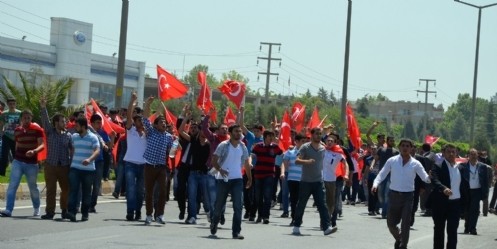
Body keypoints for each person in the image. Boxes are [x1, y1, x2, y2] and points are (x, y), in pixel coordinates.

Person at [372, 138, 430, 249]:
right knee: (390, 224)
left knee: (406, 223)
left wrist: (430, 178)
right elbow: (381, 174)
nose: (405, 148)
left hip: (408, 197)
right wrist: (375, 184)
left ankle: (403, 245)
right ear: (399, 147)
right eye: (403, 145)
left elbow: (425, 177)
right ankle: (399, 238)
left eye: (407, 146)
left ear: (411, 148)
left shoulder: (416, 163)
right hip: (394, 195)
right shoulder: (392, 161)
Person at [210, 124, 252, 239]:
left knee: (238, 206)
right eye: (236, 131)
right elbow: (214, 161)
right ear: (230, 133)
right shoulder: (223, 145)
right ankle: (214, 222)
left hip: (237, 179)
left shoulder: (243, 146)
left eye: (240, 131)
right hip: (223, 179)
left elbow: (247, 163)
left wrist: (249, 178)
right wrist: (220, 170)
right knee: (219, 205)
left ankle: (236, 232)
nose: (239, 133)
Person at [291, 127, 337, 236]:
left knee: (322, 205)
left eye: (320, 134)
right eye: (316, 134)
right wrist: (307, 161)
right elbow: (297, 160)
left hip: (318, 182)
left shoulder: (323, 148)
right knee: (301, 204)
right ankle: (296, 226)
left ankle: (326, 228)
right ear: (311, 135)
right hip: (306, 181)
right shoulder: (305, 147)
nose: (318, 135)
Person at [0, 110, 45, 217]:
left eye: (28, 118)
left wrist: (34, 151)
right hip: (18, 161)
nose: (26, 120)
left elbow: (42, 145)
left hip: (32, 163)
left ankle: (37, 207)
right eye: (24, 118)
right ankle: (8, 209)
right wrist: (15, 158)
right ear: (21, 119)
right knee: (12, 185)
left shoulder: (37, 130)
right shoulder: (17, 130)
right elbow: (17, 145)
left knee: (32, 187)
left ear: (31, 118)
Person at [141, 97, 173, 225]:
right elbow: (145, 119)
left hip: (161, 167)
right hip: (149, 166)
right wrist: (148, 104)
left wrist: (176, 147)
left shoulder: (169, 137)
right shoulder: (151, 132)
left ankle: (160, 215)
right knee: (149, 192)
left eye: (165, 123)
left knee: (163, 191)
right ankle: (149, 215)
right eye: (161, 122)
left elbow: (172, 153)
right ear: (155, 125)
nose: (164, 124)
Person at [40, 98, 73, 220]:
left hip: (64, 166)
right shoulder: (50, 132)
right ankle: (50, 212)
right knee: (51, 191)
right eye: (62, 121)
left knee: (66, 189)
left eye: (65, 121)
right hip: (51, 165)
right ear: (56, 123)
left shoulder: (68, 135)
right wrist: (43, 108)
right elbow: (45, 121)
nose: (65, 123)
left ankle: (64, 210)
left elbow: (72, 150)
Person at [65, 117, 100, 222]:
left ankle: (85, 213)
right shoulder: (74, 137)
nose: (75, 127)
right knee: (73, 190)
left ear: (83, 126)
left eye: (77, 126)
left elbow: (97, 150)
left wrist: (89, 159)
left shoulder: (93, 137)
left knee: (86, 192)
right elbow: (73, 150)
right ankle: (71, 212)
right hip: (75, 168)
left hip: (88, 170)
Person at [179, 111, 210, 225]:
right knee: (191, 196)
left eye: (204, 130)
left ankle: (209, 212)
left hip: (205, 174)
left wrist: (207, 117)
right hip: (193, 173)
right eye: (201, 130)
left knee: (206, 198)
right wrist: (186, 118)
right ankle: (192, 217)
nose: (202, 132)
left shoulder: (209, 144)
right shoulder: (194, 140)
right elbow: (181, 131)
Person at [429, 143, 462, 249]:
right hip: (440, 203)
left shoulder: (460, 168)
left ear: (456, 153)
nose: (451, 154)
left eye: (453, 152)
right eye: (448, 152)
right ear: (443, 153)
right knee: (439, 230)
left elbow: (465, 186)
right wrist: (444, 188)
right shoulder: (437, 166)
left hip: (455, 204)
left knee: (452, 231)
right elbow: (434, 179)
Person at [122, 92, 147, 221]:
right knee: (130, 189)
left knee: (140, 191)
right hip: (130, 164)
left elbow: (147, 118)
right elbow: (129, 115)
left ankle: (138, 211)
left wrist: (148, 105)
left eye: (142, 120)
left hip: (143, 165)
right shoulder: (130, 130)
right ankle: (130, 212)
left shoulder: (147, 134)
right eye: (138, 120)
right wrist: (132, 101)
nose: (141, 122)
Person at [251, 130, 283, 224]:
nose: (271, 138)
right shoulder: (258, 146)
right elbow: (252, 155)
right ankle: (259, 215)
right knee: (258, 197)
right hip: (258, 174)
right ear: (265, 137)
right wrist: (249, 164)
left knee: (267, 196)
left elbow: (282, 153)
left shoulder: (275, 147)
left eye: (272, 137)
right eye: (270, 136)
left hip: (269, 175)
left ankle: (266, 216)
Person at [459, 148, 490, 235]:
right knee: (467, 210)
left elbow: (485, 181)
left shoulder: (483, 166)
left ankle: (473, 228)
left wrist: (485, 193)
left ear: (477, 155)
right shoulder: (463, 166)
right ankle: (467, 226)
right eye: (471, 154)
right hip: (466, 191)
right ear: (468, 156)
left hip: (477, 191)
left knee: (475, 210)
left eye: (475, 154)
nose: (473, 156)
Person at [323, 136, 349, 230]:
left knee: (331, 203)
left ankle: (330, 220)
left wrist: (346, 174)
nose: (329, 142)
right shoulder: (322, 150)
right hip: (321, 179)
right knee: (322, 201)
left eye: (331, 141)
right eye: (328, 141)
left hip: (332, 180)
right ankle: (324, 221)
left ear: (335, 143)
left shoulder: (338, 154)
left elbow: (345, 163)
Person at [280, 134, 305, 226]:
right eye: (302, 141)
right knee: (293, 200)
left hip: (302, 180)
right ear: (296, 142)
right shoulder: (289, 152)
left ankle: (299, 217)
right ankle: (294, 218)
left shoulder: (306, 153)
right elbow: (285, 164)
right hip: (292, 179)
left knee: (300, 200)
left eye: (304, 142)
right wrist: (283, 172)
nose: (304, 143)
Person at [376, 136, 399, 219]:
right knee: (380, 194)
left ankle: (384, 212)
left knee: (387, 194)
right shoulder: (381, 150)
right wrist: (372, 166)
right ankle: (383, 206)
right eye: (391, 140)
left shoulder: (396, 152)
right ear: (387, 141)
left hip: (391, 175)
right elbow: (375, 159)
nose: (392, 142)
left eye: (393, 140)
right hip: (382, 174)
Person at [0, 98, 21, 176]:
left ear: (15, 104)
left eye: (13, 104)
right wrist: (2, 133)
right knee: (4, 155)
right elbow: (1, 124)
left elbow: (21, 124)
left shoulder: (19, 113)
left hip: (16, 137)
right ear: (8, 104)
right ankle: (2, 172)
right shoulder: (4, 114)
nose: (12, 105)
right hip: (6, 136)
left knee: (16, 155)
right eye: (10, 104)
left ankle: (17, 172)